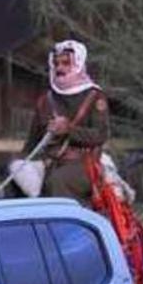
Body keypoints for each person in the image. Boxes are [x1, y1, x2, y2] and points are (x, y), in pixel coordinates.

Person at [19, 39, 110, 206]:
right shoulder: (45, 100)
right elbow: (32, 143)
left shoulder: (94, 96)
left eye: (66, 63)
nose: (59, 68)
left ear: (78, 63)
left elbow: (101, 135)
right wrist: (19, 163)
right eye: (56, 63)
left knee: (58, 182)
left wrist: (69, 129)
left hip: (84, 165)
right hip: (50, 163)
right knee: (15, 183)